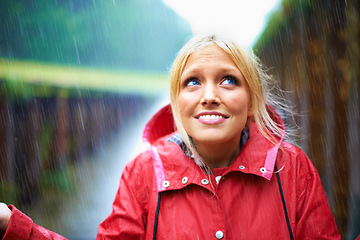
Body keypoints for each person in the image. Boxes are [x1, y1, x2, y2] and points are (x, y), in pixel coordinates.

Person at [0, 34, 341, 239]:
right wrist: (10, 226)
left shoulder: (292, 169)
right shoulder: (143, 174)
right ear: (176, 104)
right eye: (192, 81)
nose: (209, 95)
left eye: (228, 80)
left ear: (252, 101)